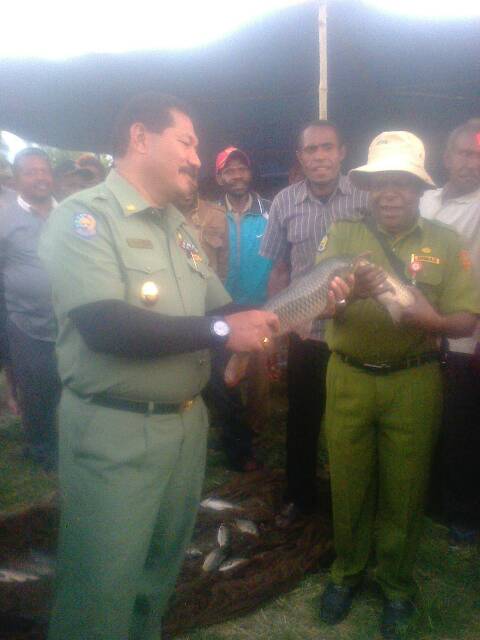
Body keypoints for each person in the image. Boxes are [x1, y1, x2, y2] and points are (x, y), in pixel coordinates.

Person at [39, 93, 284, 640]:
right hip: (115, 431)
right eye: (188, 141)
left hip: (184, 426)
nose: (198, 156)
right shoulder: (83, 218)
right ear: (139, 137)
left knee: (157, 576)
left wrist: (298, 306)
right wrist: (224, 331)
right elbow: (107, 326)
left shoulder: (178, 226)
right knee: (100, 587)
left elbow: (222, 308)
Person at [316, 131, 480, 640]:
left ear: (418, 189)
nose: (389, 194)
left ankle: (396, 584)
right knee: (348, 482)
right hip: (348, 376)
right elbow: (320, 304)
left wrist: (425, 318)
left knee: (405, 488)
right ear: (368, 189)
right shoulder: (342, 234)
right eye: (380, 183)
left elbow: (464, 322)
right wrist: (341, 299)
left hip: (413, 382)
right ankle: (347, 572)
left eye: (402, 184)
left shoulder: (447, 243)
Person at [260, 120, 369, 525]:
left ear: (342, 152)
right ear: (300, 157)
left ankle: (351, 500)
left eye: (328, 148)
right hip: (307, 332)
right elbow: (279, 270)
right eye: (311, 150)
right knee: (302, 419)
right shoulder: (284, 202)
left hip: (354, 330)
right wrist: (272, 329)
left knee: (352, 424)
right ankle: (299, 495)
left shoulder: (364, 198)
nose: (320, 156)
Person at [420, 118, 480, 545]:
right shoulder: (423, 200)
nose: (473, 163)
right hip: (416, 331)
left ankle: (462, 510)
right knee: (425, 420)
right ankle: (428, 497)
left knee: (464, 426)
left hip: (464, 336)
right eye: (466, 153)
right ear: (447, 157)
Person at [0, 148, 60, 470]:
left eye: (44, 170)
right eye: (30, 171)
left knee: (73, 386)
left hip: (70, 322)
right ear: (17, 178)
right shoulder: (4, 219)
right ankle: (41, 448)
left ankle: (73, 443)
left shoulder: (70, 214)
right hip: (26, 324)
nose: (40, 177)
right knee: (36, 390)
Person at [173, 187, 228, 280]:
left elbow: (225, 260)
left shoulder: (217, 215)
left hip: (209, 284)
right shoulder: (160, 214)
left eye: (191, 175)